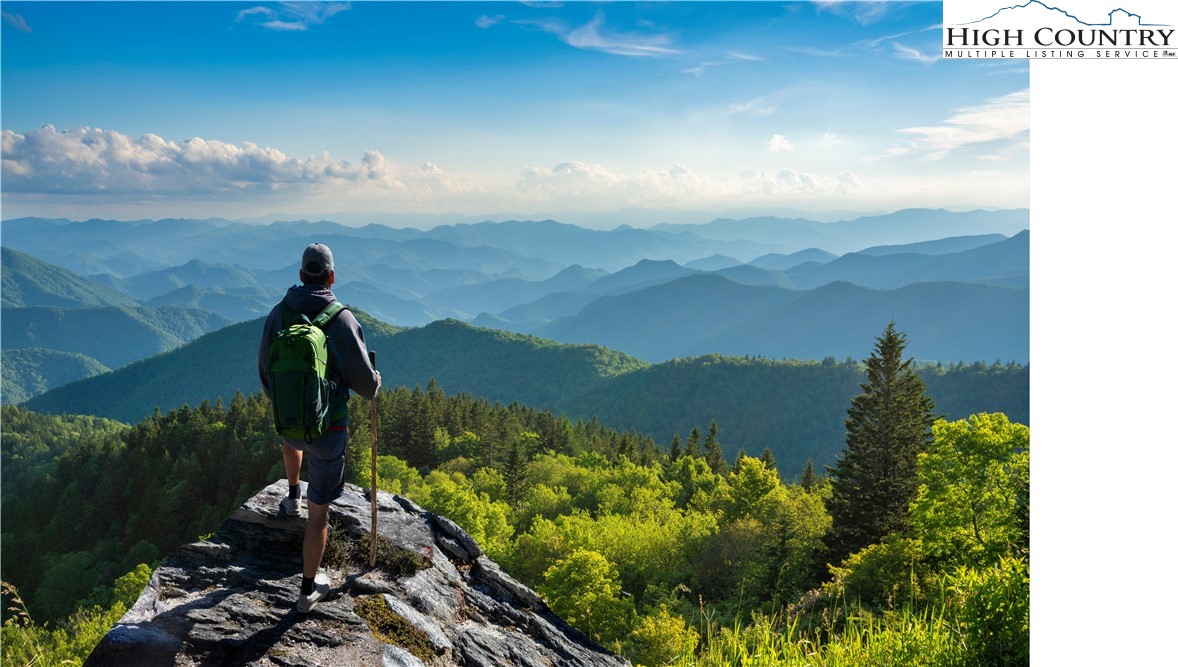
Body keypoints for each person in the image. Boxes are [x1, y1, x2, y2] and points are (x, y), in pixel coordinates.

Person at [258, 242, 380, 613]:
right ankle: (307, 591)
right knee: (320, 514)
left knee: (291, 440)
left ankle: (292, 494)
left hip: (288, 425)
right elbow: (367, 388)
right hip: (329, 432)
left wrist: (288, 403)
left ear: (300, 274)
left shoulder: (279, 313)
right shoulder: (342, 320)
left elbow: (266, 374)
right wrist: (376, 378)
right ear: (331, 277)